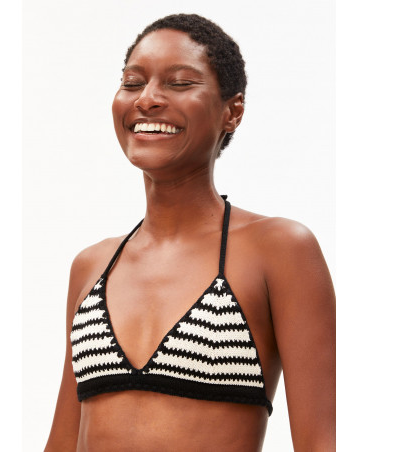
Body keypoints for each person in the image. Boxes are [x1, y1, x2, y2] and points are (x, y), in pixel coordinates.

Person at [44, 13, 335, 452]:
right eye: (132, 82)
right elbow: (62, 442)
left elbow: (323, 442)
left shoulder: (278, 249)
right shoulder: (92, 265)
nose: (147, 99)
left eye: (179, 82)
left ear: (232, 112)